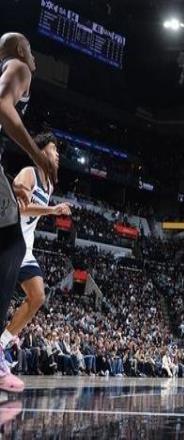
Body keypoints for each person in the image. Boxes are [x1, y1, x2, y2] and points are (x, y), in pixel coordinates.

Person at [0, 32, 56, 393]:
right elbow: (3, 107)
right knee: (11, 249)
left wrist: (8, 181)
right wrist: (36, 154)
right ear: (21, 50)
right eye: (31, 50)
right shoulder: (18, 66)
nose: (33, 57)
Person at [0, 133, 71, 353]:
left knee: (38, 296)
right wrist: (52, 210)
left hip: (25, 247)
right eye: (53, 149)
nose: (57, 154)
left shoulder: (48, 186)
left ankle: (1, 344)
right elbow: (20, 207)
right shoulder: (28, 173)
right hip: (7, 238)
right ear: (41, 152)